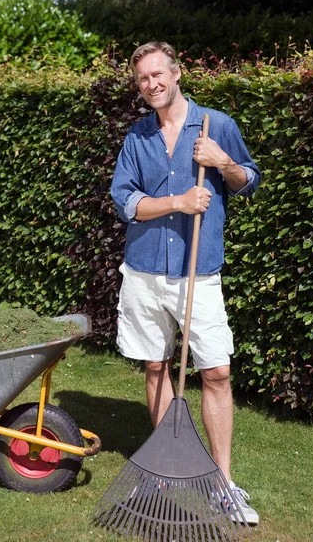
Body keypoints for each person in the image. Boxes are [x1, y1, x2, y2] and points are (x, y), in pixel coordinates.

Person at [111, 41, 261, 525]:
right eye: (142, 79)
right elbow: (125, 202)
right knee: (155, 367)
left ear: (177, 74)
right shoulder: (137, 137)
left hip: (199, 272)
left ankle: (223, 484)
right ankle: (165, 468)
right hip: (145, 270)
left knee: (216, 371)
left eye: (158, 75)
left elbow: (247, 182)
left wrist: (222, 162)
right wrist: (178, 201)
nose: (151, 85)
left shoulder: (216, 125)